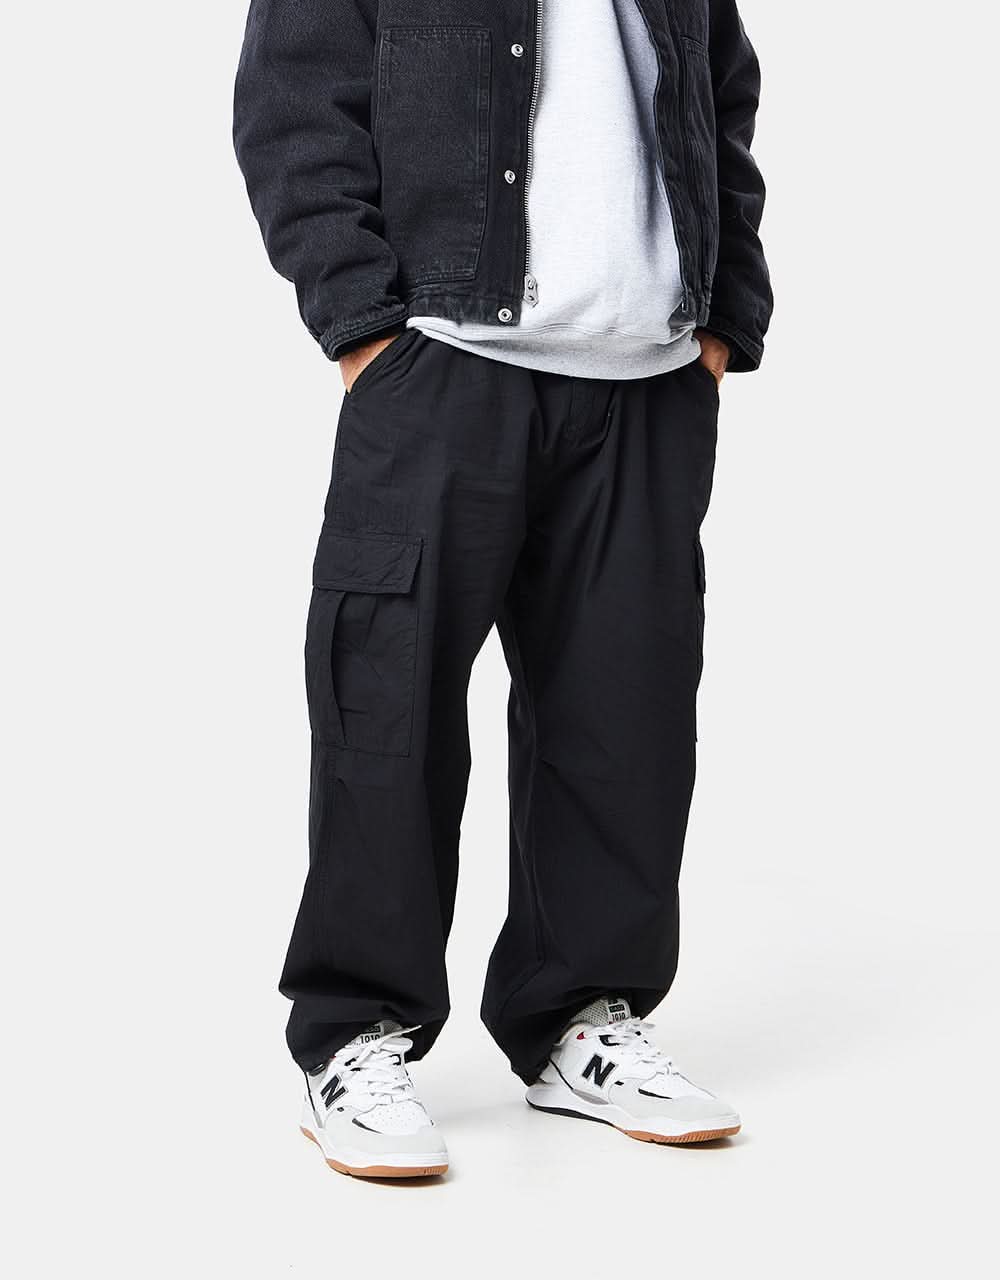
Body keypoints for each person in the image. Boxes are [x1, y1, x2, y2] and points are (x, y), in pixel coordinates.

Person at [234, 0, 771, 1179]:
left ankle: (579, 1014)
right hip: (443, 365)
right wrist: (364, 326)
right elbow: (294, 103)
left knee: (624, 719)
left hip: (648, 378)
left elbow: (721, 95)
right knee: (388, 709)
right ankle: (355, 1032)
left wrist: (727, 315)